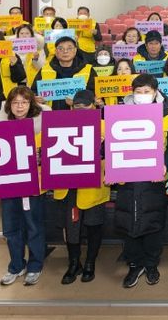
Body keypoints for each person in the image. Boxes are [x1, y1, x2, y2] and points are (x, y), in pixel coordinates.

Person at [114, 74, 168, 288]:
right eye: (138, 92)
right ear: (132, 93)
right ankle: (134, 264)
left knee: (153, 221)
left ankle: (151, 264)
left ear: (155, 93)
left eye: (147, 91)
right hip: (128, 179)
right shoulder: (119, 114)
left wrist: (166, 166)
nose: (142, 95)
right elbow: (112, 144)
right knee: (129, 221)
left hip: (154, 179)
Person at [55, 90, 109, 285]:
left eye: (86, 107)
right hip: (70, 186)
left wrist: (101, 145)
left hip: (94, 186)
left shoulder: (105, 126)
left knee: (94, 225)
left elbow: (114, 154)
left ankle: (90, 262)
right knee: (72, 227)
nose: (81, 110)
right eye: (77, 107)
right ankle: (73, 263)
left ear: (94, 107)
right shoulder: (61, 125)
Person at [0, 86, 46, 286]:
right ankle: (16, 266)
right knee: (10, 227)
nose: (19, 106)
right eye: (15, 102)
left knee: (33, 226)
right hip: (8, 183)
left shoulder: (42, 125)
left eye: (24, 102)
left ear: (31, 104)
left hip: (33, 184)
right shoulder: (0, 126)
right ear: (9, 105)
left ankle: (35, 265)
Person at [31, 36, 97, 111]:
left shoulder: (88, 69)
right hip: (51, 114)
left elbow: (94, 94)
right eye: (61, 48)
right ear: (55, 51)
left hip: (79, 115)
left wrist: (78, 102)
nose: (65, 51)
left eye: (69, 48)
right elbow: (34, 91)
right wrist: (37, 99)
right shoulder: (45, 69)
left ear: (75, 50)